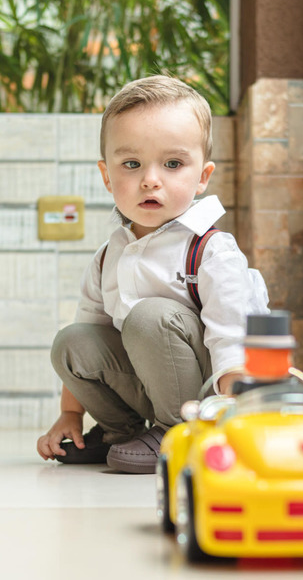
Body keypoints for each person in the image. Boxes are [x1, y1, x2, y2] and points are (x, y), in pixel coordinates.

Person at [36, 76, 269, 474]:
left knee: (150, 316)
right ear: (107, 176)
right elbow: (92, 330)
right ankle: (119, 431)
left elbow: (231, 339)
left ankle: (178, 431)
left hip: (203, 393)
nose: (150, 179)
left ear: (202, 177)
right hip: (146, 383)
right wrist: (69, 413)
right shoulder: (109, 256)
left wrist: (240, 406)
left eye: (173, 164)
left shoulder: (211, 251)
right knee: (71, 341)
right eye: (131, 164)